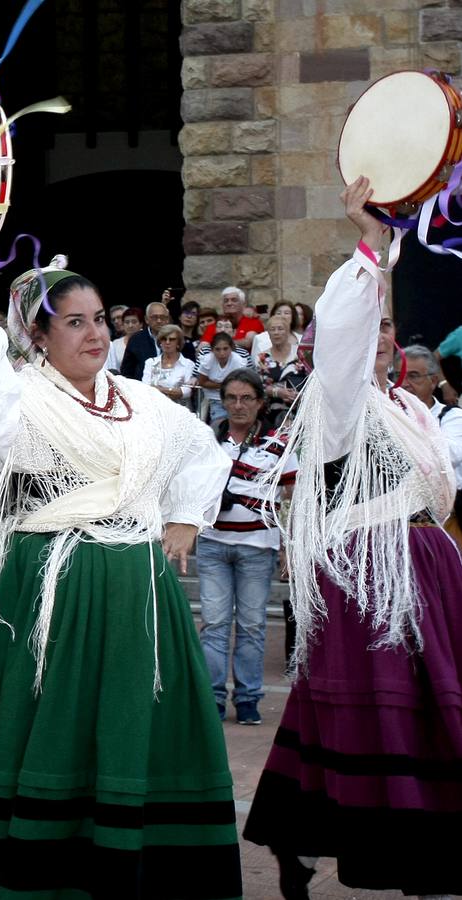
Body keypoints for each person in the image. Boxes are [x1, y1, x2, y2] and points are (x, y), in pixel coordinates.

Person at [0, 215, 239, 898]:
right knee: (39, 731)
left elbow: (200, 450)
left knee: (127, 733)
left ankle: (129, 870)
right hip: (44, 592)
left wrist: (187, 517)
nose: (97, 333)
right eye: (74, 322)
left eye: (100, 318)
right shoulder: (21, 401)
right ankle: (16, 871)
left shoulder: (140, 402)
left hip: (137, 593)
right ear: (37, 336)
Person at [243, 177, 462, 898]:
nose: (380, 336)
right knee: (384, 716)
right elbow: (341, 331)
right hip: (376, 577)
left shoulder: (412, 409)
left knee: (422, 714)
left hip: (431, 569)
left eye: (389, 327)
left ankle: (300, 840)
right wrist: (373, 245)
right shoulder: (337, 405)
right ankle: (413, 862)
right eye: (372, 325)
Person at [197, 370, 296, 726]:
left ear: (259, 402)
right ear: (222, 401)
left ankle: (249, 697)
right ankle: (213, 698)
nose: (238, 406)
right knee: (214, 623)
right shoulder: (207, 441)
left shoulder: (278, 444)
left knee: (253, 624)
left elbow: (291, 497)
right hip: (212, 544)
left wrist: (287, 544)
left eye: (246, 399)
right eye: (232, 398)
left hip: (258, 545)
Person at [402, 344, 462, 549]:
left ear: (433, 381)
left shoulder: (453, 416)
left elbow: (448, 454)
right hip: (403, 525)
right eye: (400, 375)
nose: (405, 384)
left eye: (414, 376)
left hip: (445, 523)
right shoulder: (390, 415)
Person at [254, 312, 306, 428]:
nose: (276, 333)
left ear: (287, 332)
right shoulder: (262, 357)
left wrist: (300, 395)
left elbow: (311, 379)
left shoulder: (300, 353)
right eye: (272, 329)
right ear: (268, 333)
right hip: (272, 410)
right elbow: (259, 386)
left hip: (300, 407)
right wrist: (278, 392)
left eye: (280, 329)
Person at [196, 333, 249, 425]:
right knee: (219, 424)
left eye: (225, 349)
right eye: (217, 349)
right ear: (212, 349)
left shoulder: (238, 361)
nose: (222, 353)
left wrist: (215, 384)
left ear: (231, 348)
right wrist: (225, 384)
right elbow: (202, 382)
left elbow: (240, 384)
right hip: (214, 399)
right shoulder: (207, 360)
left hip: (234, 399)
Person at [141, 323, 195, 405]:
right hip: (155, 409)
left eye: (172, 339)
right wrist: (172, 391)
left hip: (180, 410)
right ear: (160, 342)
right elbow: (145, 388)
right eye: (164, 339)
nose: (167, 342)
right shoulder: (150, 363)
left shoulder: (188, 364)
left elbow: (186, 392)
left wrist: (159, 389)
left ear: (178, 343)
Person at [200, 286, 264, 351]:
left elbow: (248, 343)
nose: (229, 303)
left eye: (234, 300)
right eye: (226, 301)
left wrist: (219, 343)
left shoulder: (253, 322)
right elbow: (202, 348)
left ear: (243, 304)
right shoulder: (214, 326)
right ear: (222, 305)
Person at [120, 300, 171, 379]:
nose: (159, 321)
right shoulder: (136, 340)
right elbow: (126, 372)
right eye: (154, 317)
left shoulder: (175, 338)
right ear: (146, 319)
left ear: (167, 319)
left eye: (162, 317)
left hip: (171, 388)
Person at [104, 305, 142, 373]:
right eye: (113, 320)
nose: (116, 321)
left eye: (119, 318)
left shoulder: (148, 340)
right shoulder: (114, 344)